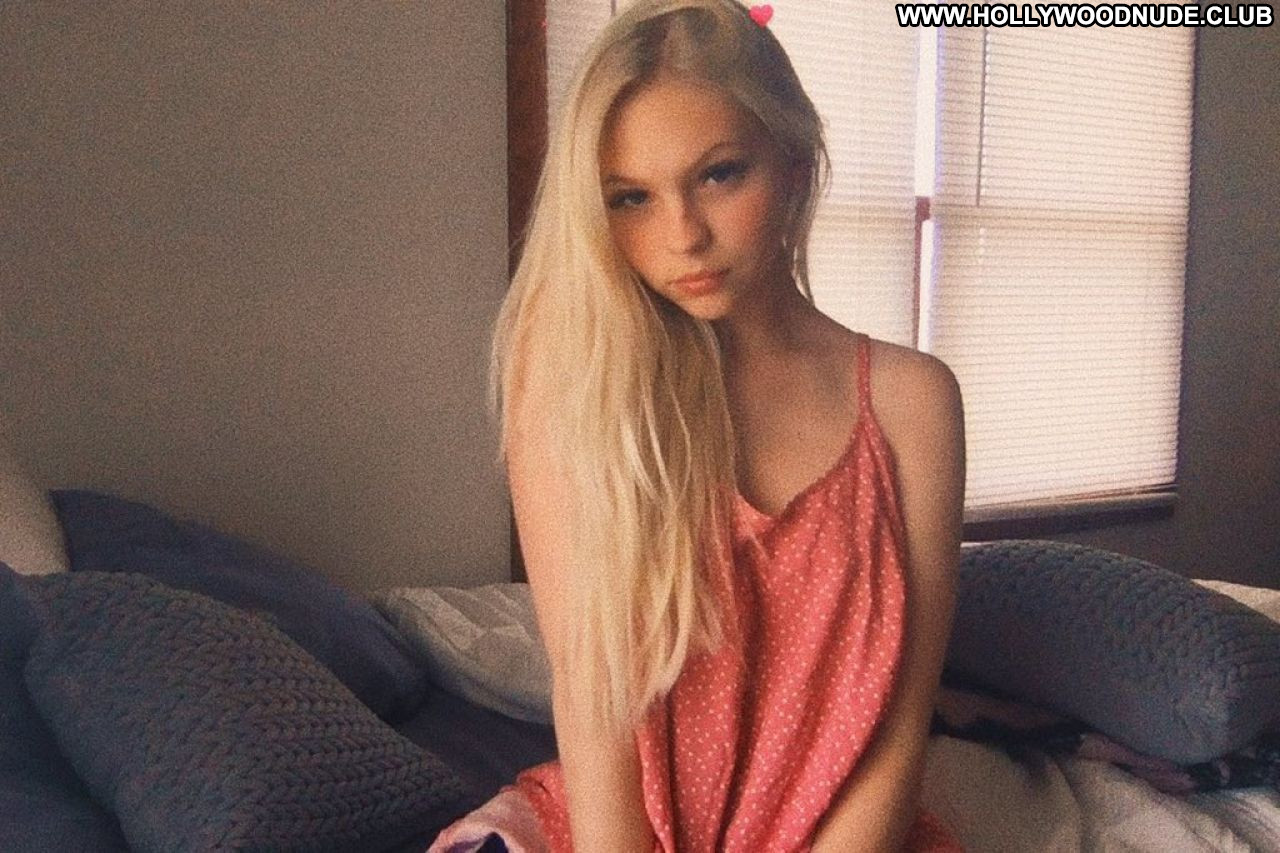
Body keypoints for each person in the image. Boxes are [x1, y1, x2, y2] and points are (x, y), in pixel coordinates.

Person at [434, 1, 966, 850]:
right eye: (631, 197)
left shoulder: (913, 404)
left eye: (719, 175)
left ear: (793, 163)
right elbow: (593, 693)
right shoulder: (573, 384)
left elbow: (900, 728)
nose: (682, 234)